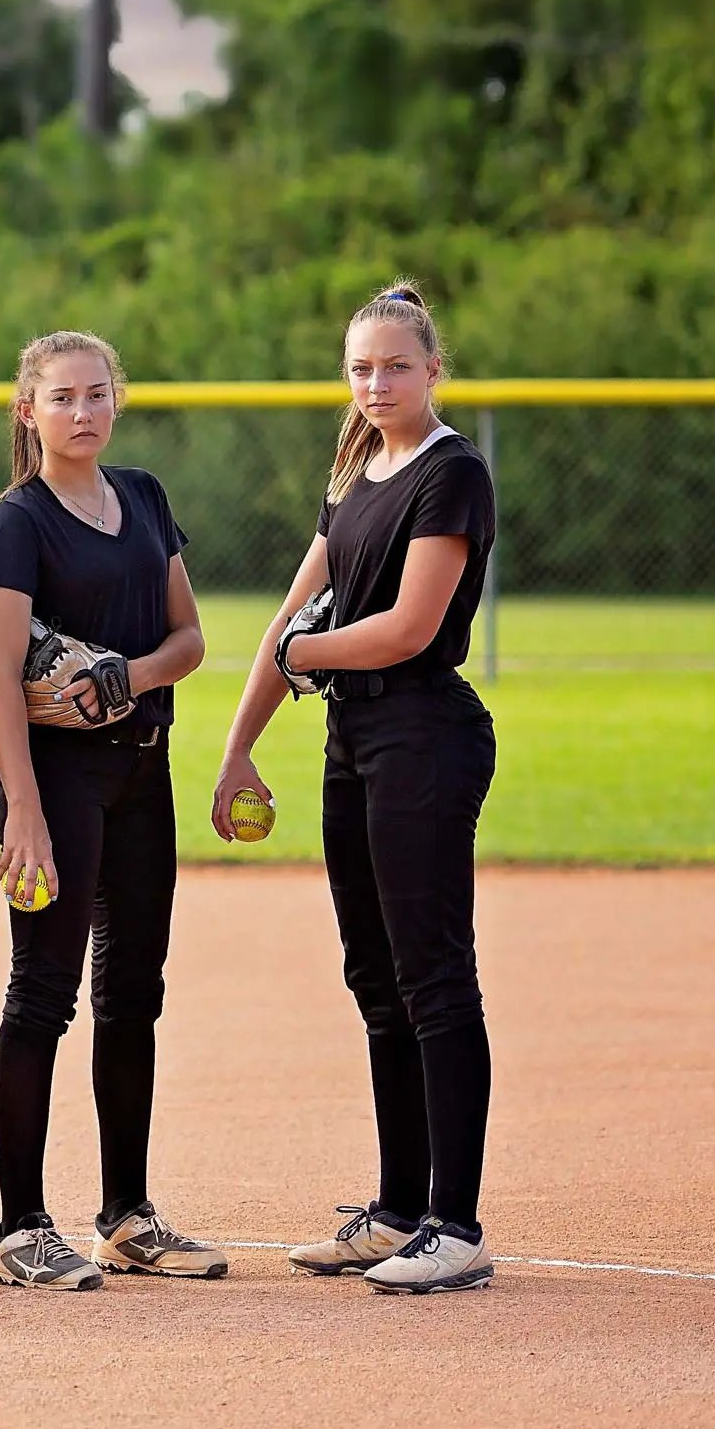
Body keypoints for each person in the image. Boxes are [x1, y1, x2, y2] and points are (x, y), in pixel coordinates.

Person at [214, 285, 501, 1296]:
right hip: (354, 738)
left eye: (395, 366)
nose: (376, 384)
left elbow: (411, 628)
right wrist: (238, 748)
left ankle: (455, 1222)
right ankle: (395, 1210)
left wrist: (305, 649)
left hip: (425, 732)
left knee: (432, 976)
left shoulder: (451, 471)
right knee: (377, 981)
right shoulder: (354, 472)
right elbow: (285, 624)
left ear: (433, 370)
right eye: (361, 368)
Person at [0, 331, 223, 1291]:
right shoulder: (19, 521)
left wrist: (133, 676)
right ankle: (19, 1225)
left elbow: (189, 636)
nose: (82, 413)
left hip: (139, 770)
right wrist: (24, 808)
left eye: (97, 395)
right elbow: (0, 674)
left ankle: (127, 1214)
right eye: (62, 397)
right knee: (44, 990)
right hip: (57, 781)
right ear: (28, 410)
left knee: (134, 994)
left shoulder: (147, 498)